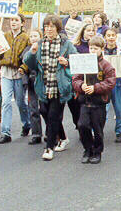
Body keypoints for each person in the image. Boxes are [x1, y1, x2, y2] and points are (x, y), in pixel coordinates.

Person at [24, 14, 78, 161]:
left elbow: (77, 60)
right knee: (44, 112)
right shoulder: (40, 44)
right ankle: (64, 138)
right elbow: (30, 64)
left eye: (52, 26)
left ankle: (49, 147)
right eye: (46, 26)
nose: (49, 29)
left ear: (57, 28)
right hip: (44, 86)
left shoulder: (66, 44)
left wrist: (67, 62)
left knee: (54, 115)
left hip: (60, 86)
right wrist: (32, 52)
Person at [72, 36, 116, 164]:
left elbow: (110, 82)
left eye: (95, 48)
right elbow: (75, 79)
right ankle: (87, 149)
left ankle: (97, 152)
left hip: (98, 102)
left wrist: (95, 88)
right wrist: (81, 85)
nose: (92, 51)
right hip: (85, 101)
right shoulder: (83, 62)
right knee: (82, 125)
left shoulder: (106, 65)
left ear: (102, 49)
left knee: (98, 129)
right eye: (91, 48)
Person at [0, 14, 31, 144]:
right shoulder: (4, 36)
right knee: (6, 101)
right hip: (6, 72)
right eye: (11, 20)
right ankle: (5, 132)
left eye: (16, 20)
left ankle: (27, 123)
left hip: (18, 72)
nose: (13, 22)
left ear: (22, 23)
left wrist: (24, 67)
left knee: (20, 102)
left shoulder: (26, 38)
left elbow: (28, 56)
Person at [103, 28, 121, 142]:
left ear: (116, 36)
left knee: (119, 109)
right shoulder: (101, 50)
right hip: (104, 85)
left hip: (118, 84)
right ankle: (98, 130)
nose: (110, 37)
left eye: (113, 35)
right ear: (105, 37)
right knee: (103, 110)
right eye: (108, 35)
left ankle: (119, 131)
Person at [19, 29, 43, 145]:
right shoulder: (27, 51)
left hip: (43, 82)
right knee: (33, 109)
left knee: (45, 109)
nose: (33, 38)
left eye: (36, 36)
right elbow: (24, 65)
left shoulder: (44, 48)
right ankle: (36, 134)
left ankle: (50, 133)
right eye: (31, 36)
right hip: (31, 83)